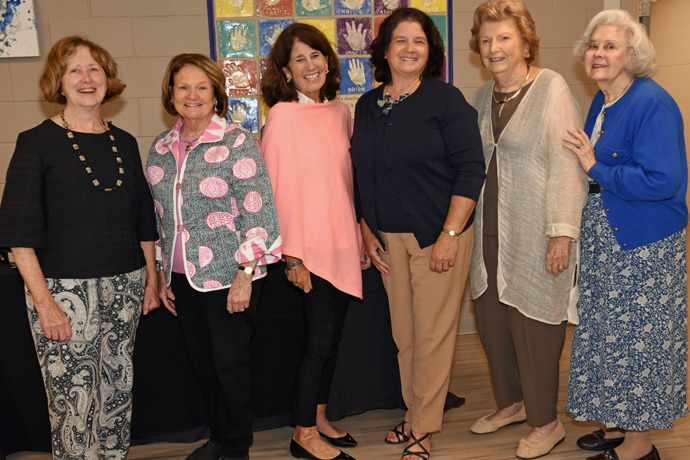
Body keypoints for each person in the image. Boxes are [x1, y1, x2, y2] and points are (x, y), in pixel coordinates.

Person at [0, 36, 159, 460]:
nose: (87, 78)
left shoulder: (124, 142)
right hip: (65, 295)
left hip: (125, 287)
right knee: (74, 405)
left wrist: (151, 279)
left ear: (108, 79)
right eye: (75, 70)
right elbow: (19, 234)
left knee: (116, 395)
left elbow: (144, 220)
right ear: (59, 81)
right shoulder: (35, 142)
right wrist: (45, 304)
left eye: (95, 69)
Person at [350, 8, 485, 460]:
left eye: (420, 41)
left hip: (437, 235)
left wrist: (451, 232)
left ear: (432, 52)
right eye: (401, 40)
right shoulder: (368, 105)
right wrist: (366, 229)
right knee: (405, 337)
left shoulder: (446, 101)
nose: (410, 48)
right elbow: (361, 172)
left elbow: (471, 170)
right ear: (384, 49)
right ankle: (413, 414)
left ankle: (423, 429)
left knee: (431, 336)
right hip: (388, 239)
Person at [563, 9, 688, 460]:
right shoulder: (603, 98)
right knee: (606, 336)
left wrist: (596, 167)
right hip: (609, 237)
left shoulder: (651, 102)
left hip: (644, 246)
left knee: (640, 344)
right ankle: (617, 420)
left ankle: (640, 446)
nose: (598, 54)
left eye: (610, 46)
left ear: (632, 55)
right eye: (594, 46)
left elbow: (663, 182)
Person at [466, 1, 589, 458]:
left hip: (536, 231)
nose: (494, 48)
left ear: (524, 42)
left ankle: (546, 421)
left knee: (534, 326)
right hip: (488, 233)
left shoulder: (552, 89)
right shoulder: (481, 97)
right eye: (486, 40)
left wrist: (562, 233)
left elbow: (567, 166)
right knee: (493, 323)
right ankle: (512, 404)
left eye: (504, 38)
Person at [147, 54, 281, 460]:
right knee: (203, 366)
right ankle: (219, 437)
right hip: (181, 277)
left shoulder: (237, 141)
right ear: (171, 93)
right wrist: (162, 276)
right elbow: (160, 217)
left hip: (228, 277)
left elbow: (260, 213)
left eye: (201, 87)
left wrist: (245, 273)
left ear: (216, 94)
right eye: (183, 86)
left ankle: (237, 445)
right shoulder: (160, 148)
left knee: (230, 366)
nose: (192, 95)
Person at [261, 23, 364, 460]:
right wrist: (291, 256)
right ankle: (302, 434)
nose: (310, 65)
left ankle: (318, 416)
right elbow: (274, 191)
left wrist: (360, 234)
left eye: (316, 55)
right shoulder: (281, 117)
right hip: (306, 250)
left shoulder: (341, 113)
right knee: (319, 340)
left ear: (328, 61)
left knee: (334, 339)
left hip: (343, 242)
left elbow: (347, 182)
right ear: (285, 71)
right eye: (299, 58)